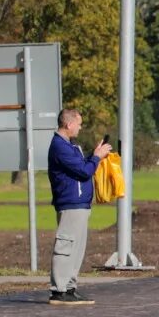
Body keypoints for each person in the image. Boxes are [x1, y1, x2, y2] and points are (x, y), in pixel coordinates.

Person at [46, 108, 110, 305]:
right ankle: (59, 290)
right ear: (68, 124)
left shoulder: (70, 146)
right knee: (66, 246)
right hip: (70, 203)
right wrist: (97, 157)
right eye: (79, 124)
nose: (81, 128)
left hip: (80, 204)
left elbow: (80, 166)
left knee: (77, 249)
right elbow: (83, 171)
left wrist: (94, 154)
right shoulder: (59, 146)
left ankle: (70, 287)